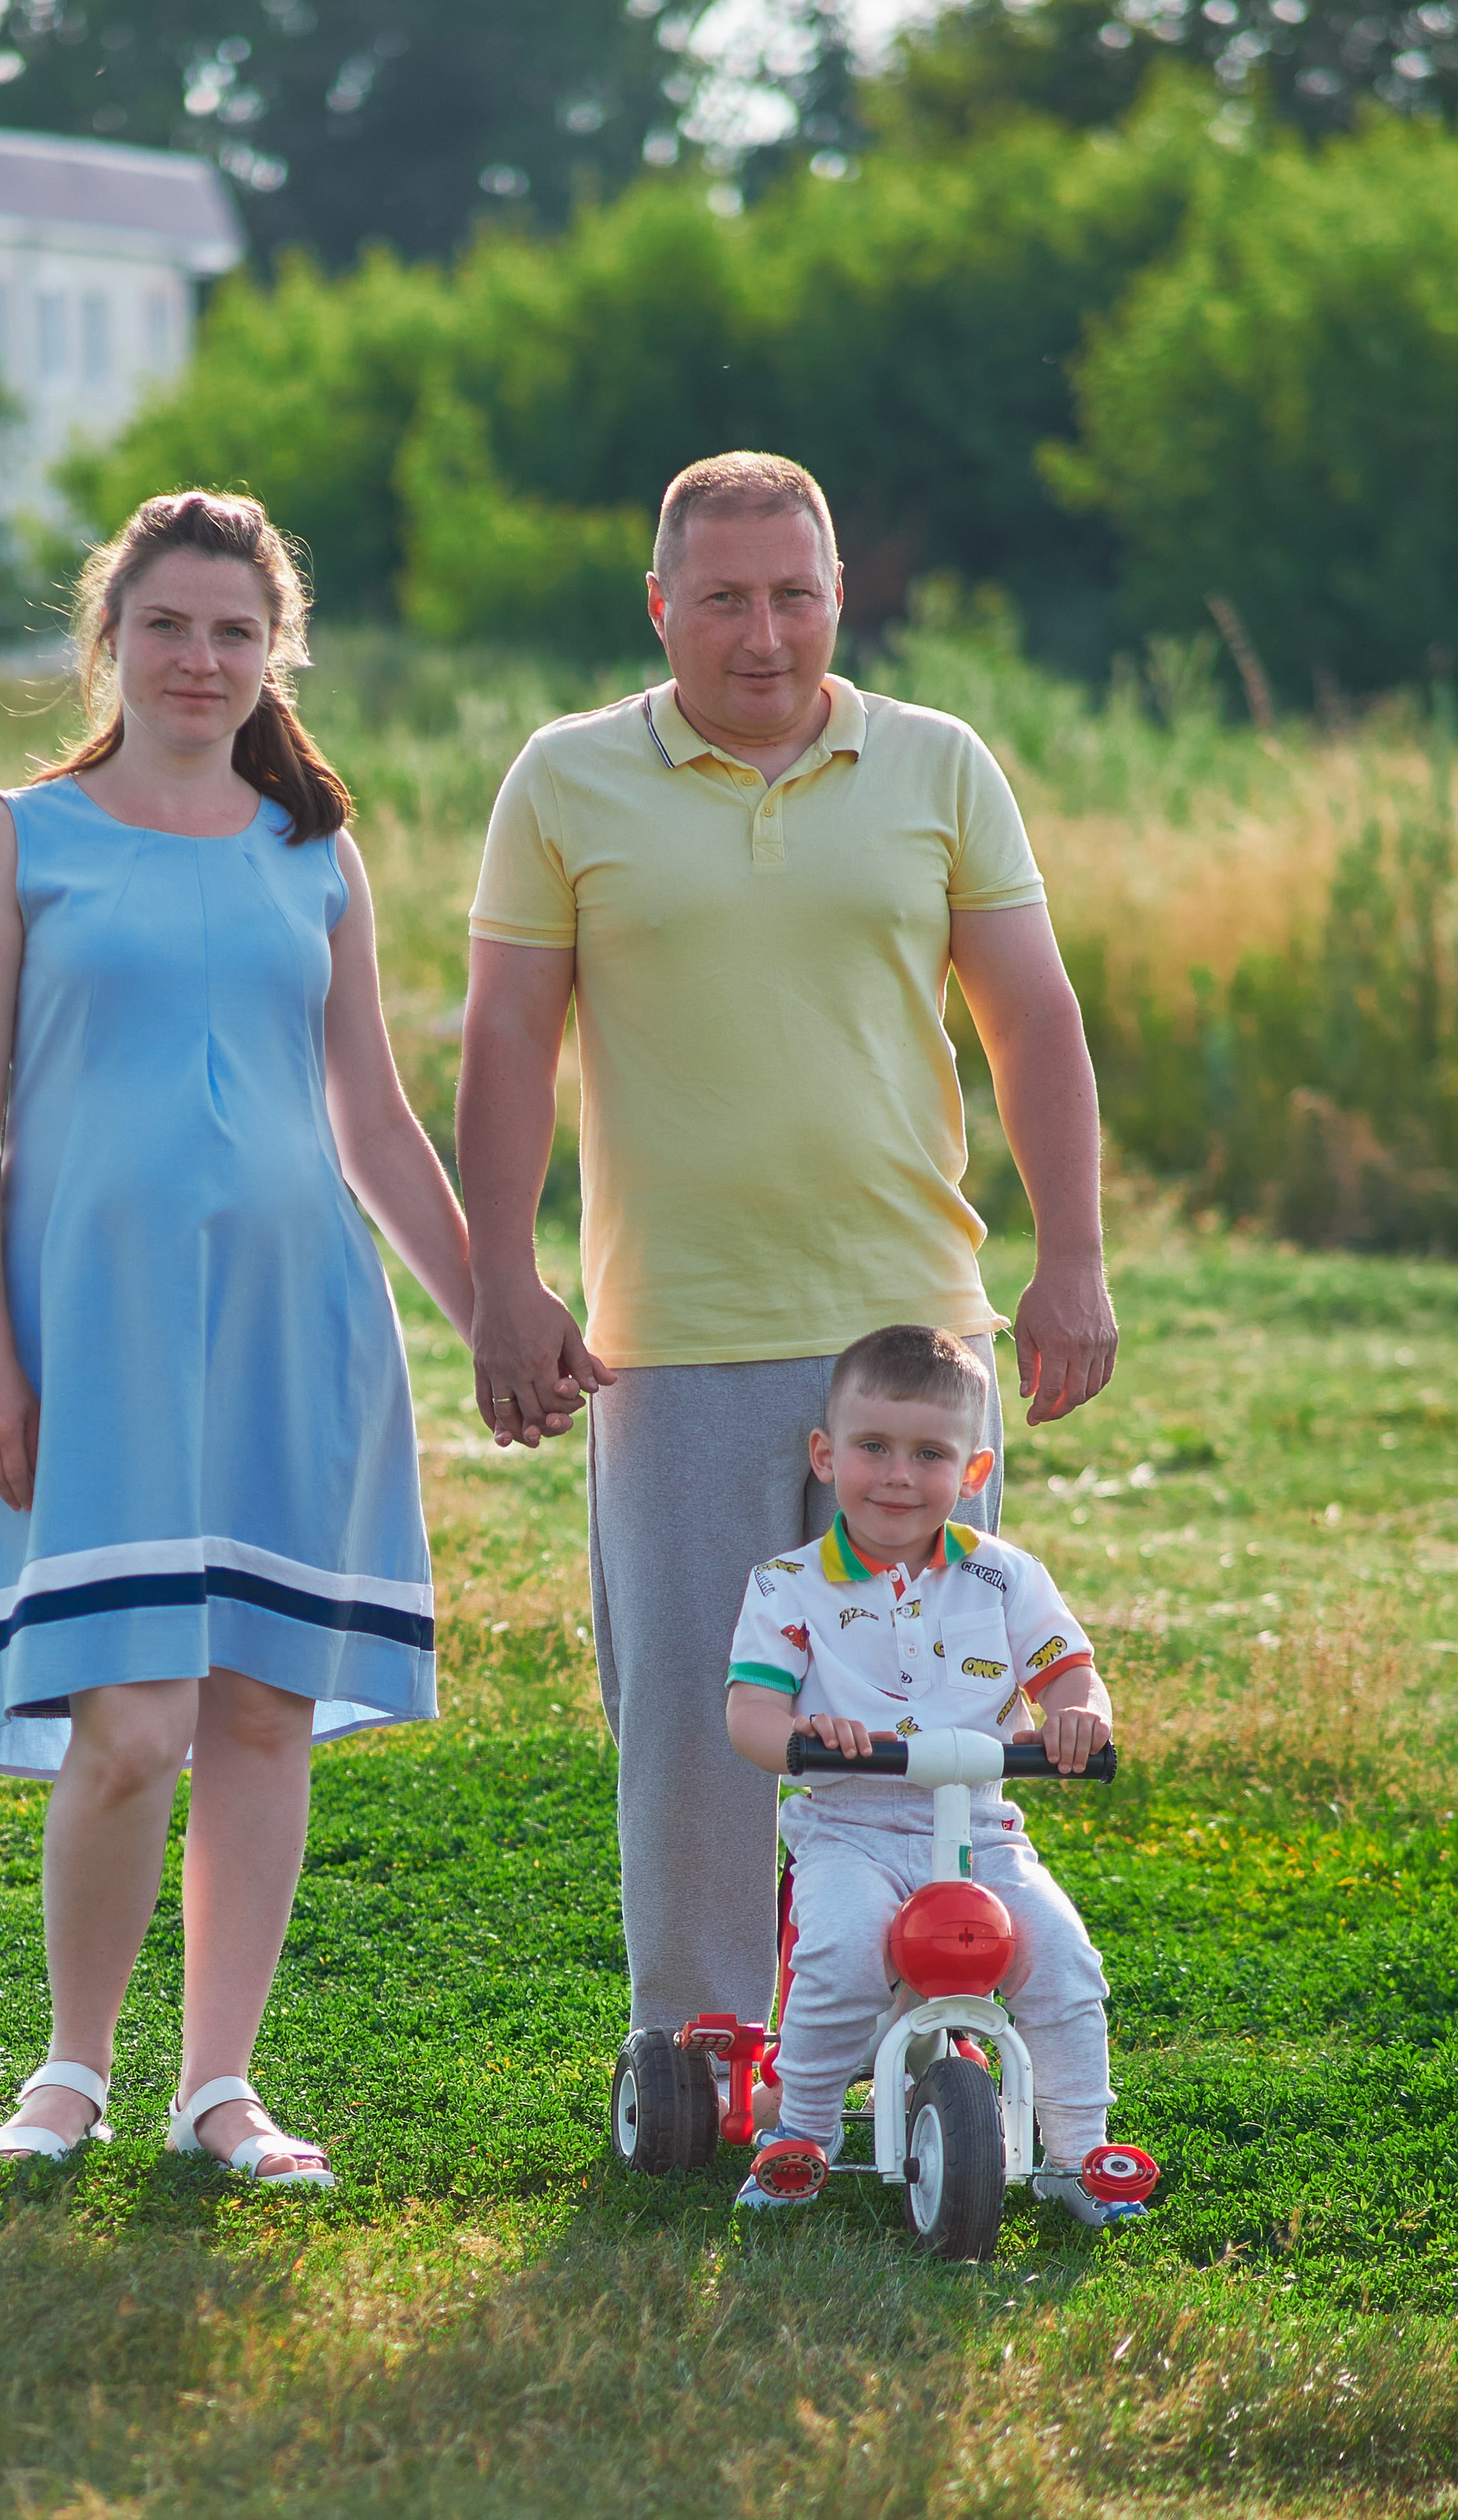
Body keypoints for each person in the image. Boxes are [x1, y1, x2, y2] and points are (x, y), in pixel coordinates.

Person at [459, 449, 1117, 2061]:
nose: (763, 635)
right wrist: (502, 1283)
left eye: (795, 595)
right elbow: (502, 1041)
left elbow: (1030, 1017)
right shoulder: (563, 778)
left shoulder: (937, 763)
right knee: (696, 1722)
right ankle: (698, 2046)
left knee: (926, 1716)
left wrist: (1070, 1261)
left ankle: (915, 2034)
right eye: (724, 599)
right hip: (668, 1335)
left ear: (836, 592)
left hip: (909, 1339)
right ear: (659, 606)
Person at [0, 491, 472, 2186]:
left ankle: (217, 2086)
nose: (200, 660)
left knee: (260, 1718)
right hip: (98, 1341)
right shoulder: (17, 840)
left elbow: (371, 1120)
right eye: (168, 626)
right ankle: (69, 2067)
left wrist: (494, 1312)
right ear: (111, 638)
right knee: (132, 1720)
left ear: (272, 650)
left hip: (297, 1333)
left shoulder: (315, 850)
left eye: (234, 632)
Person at [721, 1322, 1142, 2227]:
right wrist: (800, 1734)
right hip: (851, 1830)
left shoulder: (1003, 1578)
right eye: (873, 1448)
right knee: (837, 1952)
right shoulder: (786, 1585)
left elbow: (1069, 1672)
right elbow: (748, 1715)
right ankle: (798, 2136)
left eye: (928, 1454)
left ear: (974, 1473)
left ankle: (1077, 2156)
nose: (899, 1476)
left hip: (981, 1831)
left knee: (1062, 1959)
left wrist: (1080, 1713)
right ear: (825, 1457)